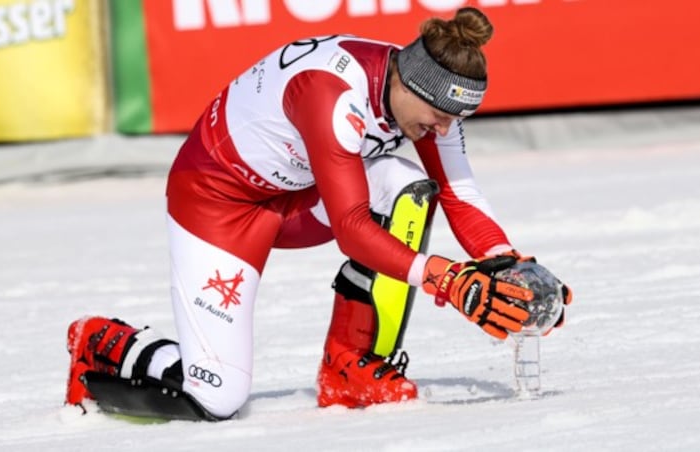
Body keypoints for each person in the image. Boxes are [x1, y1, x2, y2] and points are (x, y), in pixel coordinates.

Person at [64, 7, 572, 421]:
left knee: (407, 186)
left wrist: (510, 266)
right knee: (214, 398)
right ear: (407, 85)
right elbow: (351, 229)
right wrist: (446, 277)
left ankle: (350, 364)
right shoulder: (333, 92)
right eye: (438, 117)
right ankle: (99, 341)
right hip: (217, 206)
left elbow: (460, 192)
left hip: (299, 199)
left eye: (455, 120)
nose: (444, 130)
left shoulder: (424, 95)